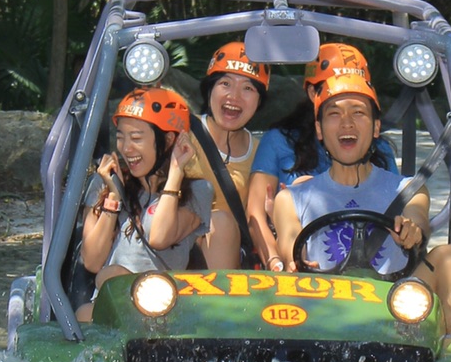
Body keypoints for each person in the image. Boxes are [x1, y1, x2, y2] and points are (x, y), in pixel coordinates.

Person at [272, 62, 451, 335]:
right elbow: (288, 239)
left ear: (376, 127)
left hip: (395, 304)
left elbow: (417, 218)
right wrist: (293, 258)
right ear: (320, 130)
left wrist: (411, 229)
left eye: (358, 113)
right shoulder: (292, 198)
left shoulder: (407, 189)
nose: (347, 122)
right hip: (322, 302)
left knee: (450, 255)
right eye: (334, 114)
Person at [245, 43, 397, 270]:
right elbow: (255, 212)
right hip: (296, 261)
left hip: (372, 263)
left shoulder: (379, 149)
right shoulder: (279, 140)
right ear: (312, 93)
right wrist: (276, 260)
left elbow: (399, 208)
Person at [76, 89, 212, 321]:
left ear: (168, 141)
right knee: (86, 311)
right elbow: (92, 261)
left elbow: (159, 237)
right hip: (112, 301)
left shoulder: (198, 190)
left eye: (136, 138)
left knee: (115, 277)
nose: (126, 148)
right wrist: (114, 198)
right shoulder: (103, 183)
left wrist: (175, 173)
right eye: (121, 137)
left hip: (165, 306)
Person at [181, 41, 269, 268]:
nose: (234, 96)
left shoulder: (265, 153)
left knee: (221, 224)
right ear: (210, 89)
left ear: (259, 100)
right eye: (225, 83)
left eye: (248, 88)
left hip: (230, 258)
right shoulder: (180, 135)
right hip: (176, 249)